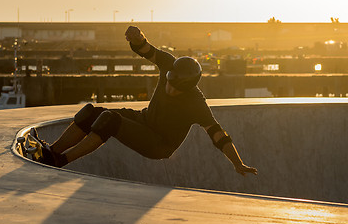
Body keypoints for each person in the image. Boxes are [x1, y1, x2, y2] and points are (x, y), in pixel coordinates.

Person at [35, 26, 257, 177]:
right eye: (168, 82)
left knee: (109, 121)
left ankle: (60, 161)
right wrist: (138, 38)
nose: (169, 89)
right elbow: (147, 50)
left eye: (175, 89)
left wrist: (237, 163)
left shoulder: (196, 102)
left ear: (188, 88)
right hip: (144, 120)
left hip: (158, 143)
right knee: (91, 112)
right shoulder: (169, 63)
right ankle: (51, 151)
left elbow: (218, 134)